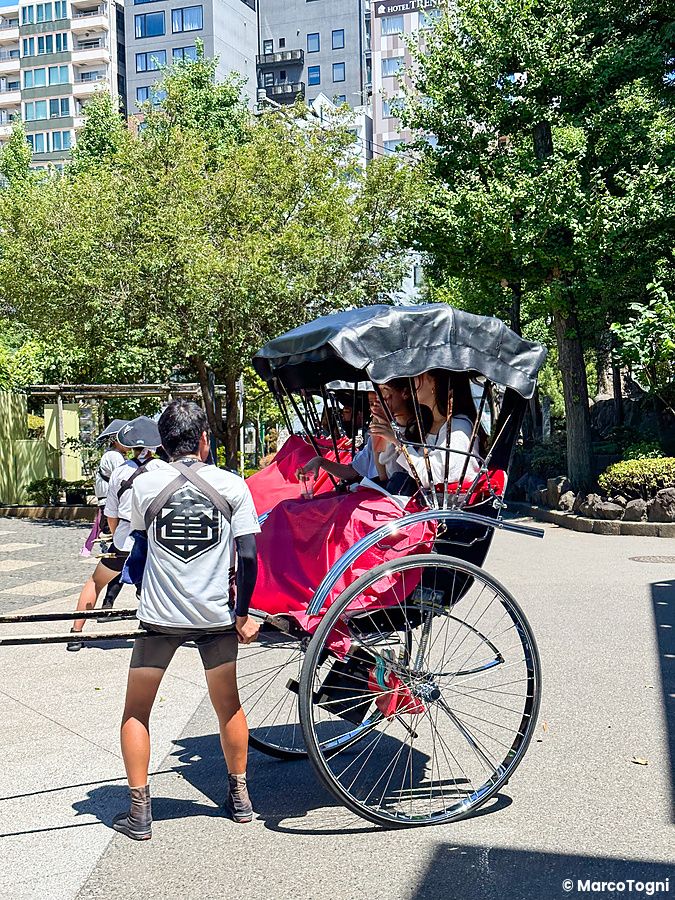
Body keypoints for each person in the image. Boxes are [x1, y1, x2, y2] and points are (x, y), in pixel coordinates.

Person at [112, 400, 260, 840]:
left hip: (160, 617)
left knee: (137, 710)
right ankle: (240, 800)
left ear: (163, 441)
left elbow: (134, 538)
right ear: (203, 439)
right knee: (227, 704)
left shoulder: (144, 484)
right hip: (215, 616)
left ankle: (140, 814)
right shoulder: (232, 485)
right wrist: (243, 613)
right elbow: (249, 555)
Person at [66, 417, 162, 652]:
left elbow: (111, 514)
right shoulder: (164, 470)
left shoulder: (120, 472)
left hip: (124, 539)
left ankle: (76, 633)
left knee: (96, 581)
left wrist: (119, 529)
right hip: (155, 541)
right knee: (157, 585)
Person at [369, 371, 483, 489]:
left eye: (417, 376)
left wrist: (398, 441)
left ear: (434, 383)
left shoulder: (458, 427)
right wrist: (385, 430)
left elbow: (432, 478)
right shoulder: (425, 425)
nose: (411, 383)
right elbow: (392, 473)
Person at [79, 420, 128, 559]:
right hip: (109, 502)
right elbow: (123, 478)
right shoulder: (114, 456)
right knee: (112, 535)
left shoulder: (115, 455)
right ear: (116, 441)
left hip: (107, 501)